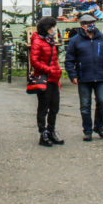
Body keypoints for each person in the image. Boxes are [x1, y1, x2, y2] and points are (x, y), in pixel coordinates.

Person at [64, 14, 103, 141]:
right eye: (87, 23)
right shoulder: (75, 40)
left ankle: (99, 126)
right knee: (85, 105)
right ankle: (87, 130)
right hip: (83, 77)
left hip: (100, 76)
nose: (91, 25)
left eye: (92, 23)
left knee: (102, 101)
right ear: (82, 26)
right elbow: (69, 60)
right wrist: (73, 75)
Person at [29, 16, 64, 146]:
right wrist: (49, 69)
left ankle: (51, 131)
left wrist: (56, 71)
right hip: (44, 78)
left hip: (54, 78)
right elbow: (34, 61)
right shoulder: (38, 41)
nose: (54, 29)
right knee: (43, 107)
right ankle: (43, 133)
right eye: (52, 27)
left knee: (55, 106)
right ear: (47, 28)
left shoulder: (49, 40)